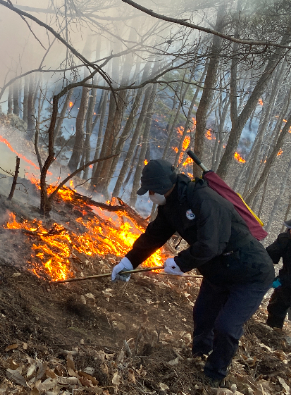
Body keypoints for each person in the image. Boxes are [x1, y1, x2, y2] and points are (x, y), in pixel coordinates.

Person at [111, 159, 274, 386]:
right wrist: (129, 261)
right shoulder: (170, 205)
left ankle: (214, 376)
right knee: (203, 315)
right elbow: (154, 235)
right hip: (217, 271)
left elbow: (211, 244)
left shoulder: (204, 200)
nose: (149, 194)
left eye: (150, 189)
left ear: (162, 185)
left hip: (250, 272)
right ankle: (200, 355)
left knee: (226, 326)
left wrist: (181, 262)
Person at [265, 219, 291, 329]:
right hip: (285, 283)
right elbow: (269, 256)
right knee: (276, 311)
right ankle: (272, 333)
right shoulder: (285, 239)